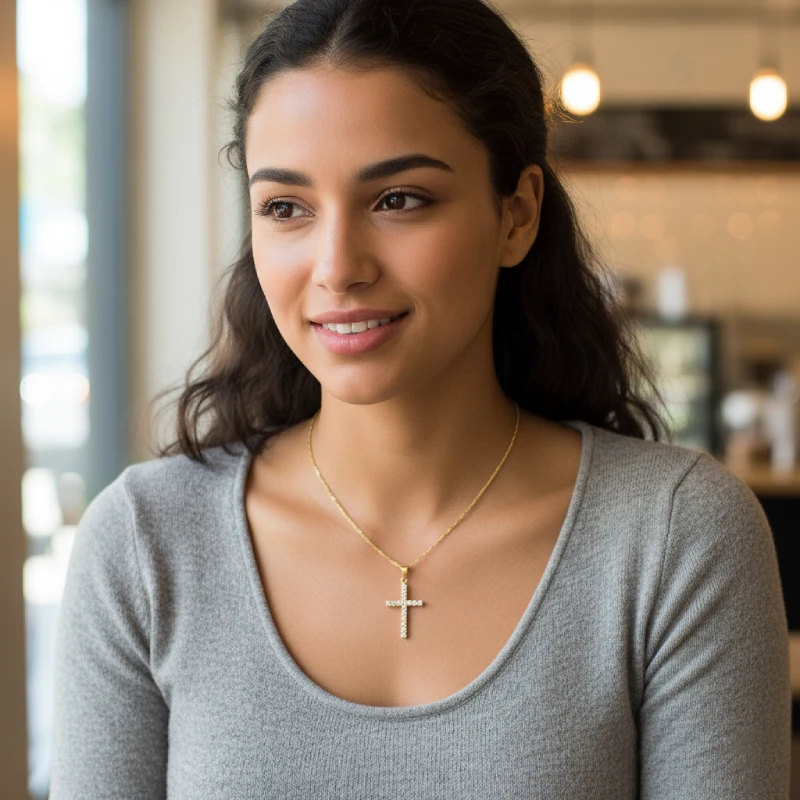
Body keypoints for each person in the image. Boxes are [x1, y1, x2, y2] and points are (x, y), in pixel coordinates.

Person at [50, 0, 791, 797]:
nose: (337, 267)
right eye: (286, 208)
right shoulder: (144, 547)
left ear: (518, 214)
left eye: (398, 199)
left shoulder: (676, 538)